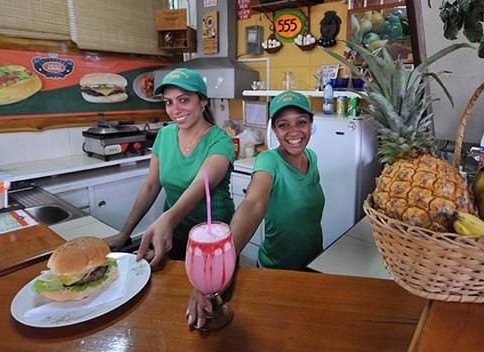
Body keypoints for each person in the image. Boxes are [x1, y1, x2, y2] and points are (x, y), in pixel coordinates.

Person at [186, 90, 325, 328]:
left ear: (311, 125)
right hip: (277, 271)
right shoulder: (268, 161)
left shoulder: (311, 157)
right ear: (274, 130)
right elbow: (253, 204)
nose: (294, 132)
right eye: (283, 125)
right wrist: (221, 265)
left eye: (301, 122)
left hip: (313, 264)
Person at [105, 68, 235, 266]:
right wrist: (125, 233)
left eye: (184, 100)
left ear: (203, 101)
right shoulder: (165, 135)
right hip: (175, 234)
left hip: (212, 236)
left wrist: (168, 219)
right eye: (168, 102)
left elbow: (201, 186)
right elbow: (151, 186)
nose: (175, 109)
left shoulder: (220, 141)